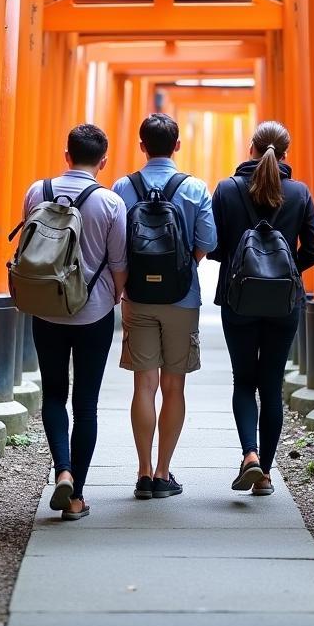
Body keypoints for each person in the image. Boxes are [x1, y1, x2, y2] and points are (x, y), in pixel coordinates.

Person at [209, 120, 314, 496]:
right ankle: (267, 476)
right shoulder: (300, 192)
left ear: (251, 148)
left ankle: (250, 456)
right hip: (283, 303)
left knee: (244, 380)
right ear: (286, 152)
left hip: (238, 300)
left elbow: (212, 245)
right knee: (271, 384)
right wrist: (284, 270)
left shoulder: (227, 190)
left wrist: (242, 266)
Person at [22, 123, 128, 520]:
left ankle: (61, 469)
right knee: (86, 405)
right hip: (93, 311)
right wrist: (116, 296)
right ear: (103, 161)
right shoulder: (110, 202)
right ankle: (76, 495)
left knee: (53, 394)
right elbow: (119, 262)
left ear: (66, 155)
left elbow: (29, 248)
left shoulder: (38, 191)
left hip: (45, 307)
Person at [113, 113, 217, 500]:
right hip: (181, 297)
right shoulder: (193, 187)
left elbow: (117, 243)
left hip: (138, 297)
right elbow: (207, 241)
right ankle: (162, 473)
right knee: (174, 386)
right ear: (176, 146)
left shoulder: (124, 186)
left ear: (142, 146)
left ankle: (141, 473)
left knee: (144, 384)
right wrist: (180, 267)